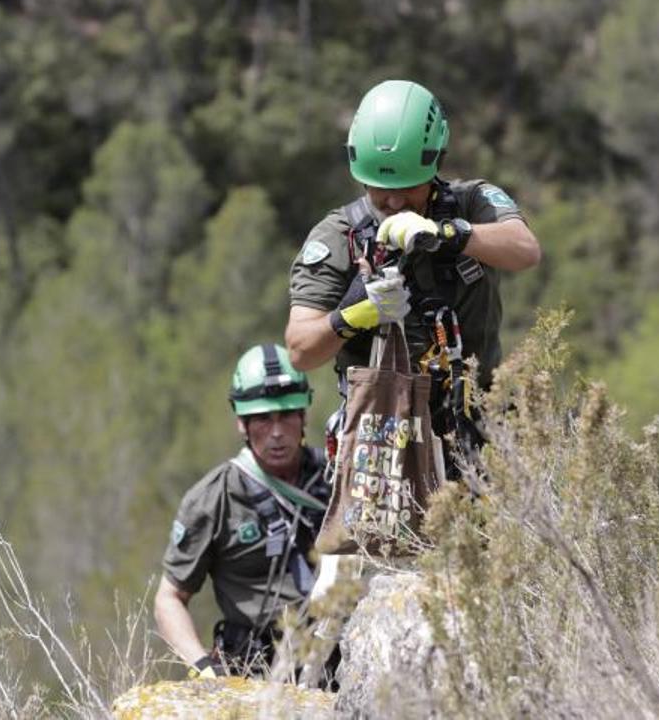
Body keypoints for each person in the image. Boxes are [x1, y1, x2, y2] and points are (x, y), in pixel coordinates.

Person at [285, 79, 541, 478]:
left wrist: (450, 235)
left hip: (480, 433)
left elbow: (524, 250)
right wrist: (353, 316)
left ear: (435, 162)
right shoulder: (338, 236)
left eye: (407, 187)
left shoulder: (473, 202)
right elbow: (301, 350)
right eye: (379, 189)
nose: (394, 202)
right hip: (380, 444)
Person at [154, 344, 331, 679]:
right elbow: (169, 599)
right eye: (263, 419)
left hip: (337, 656)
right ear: (242, 423)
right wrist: (203, 668)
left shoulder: (336, 476)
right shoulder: (213, 499)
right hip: (256, 668)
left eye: (287, 415)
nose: (277, 433)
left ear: (303, 415)